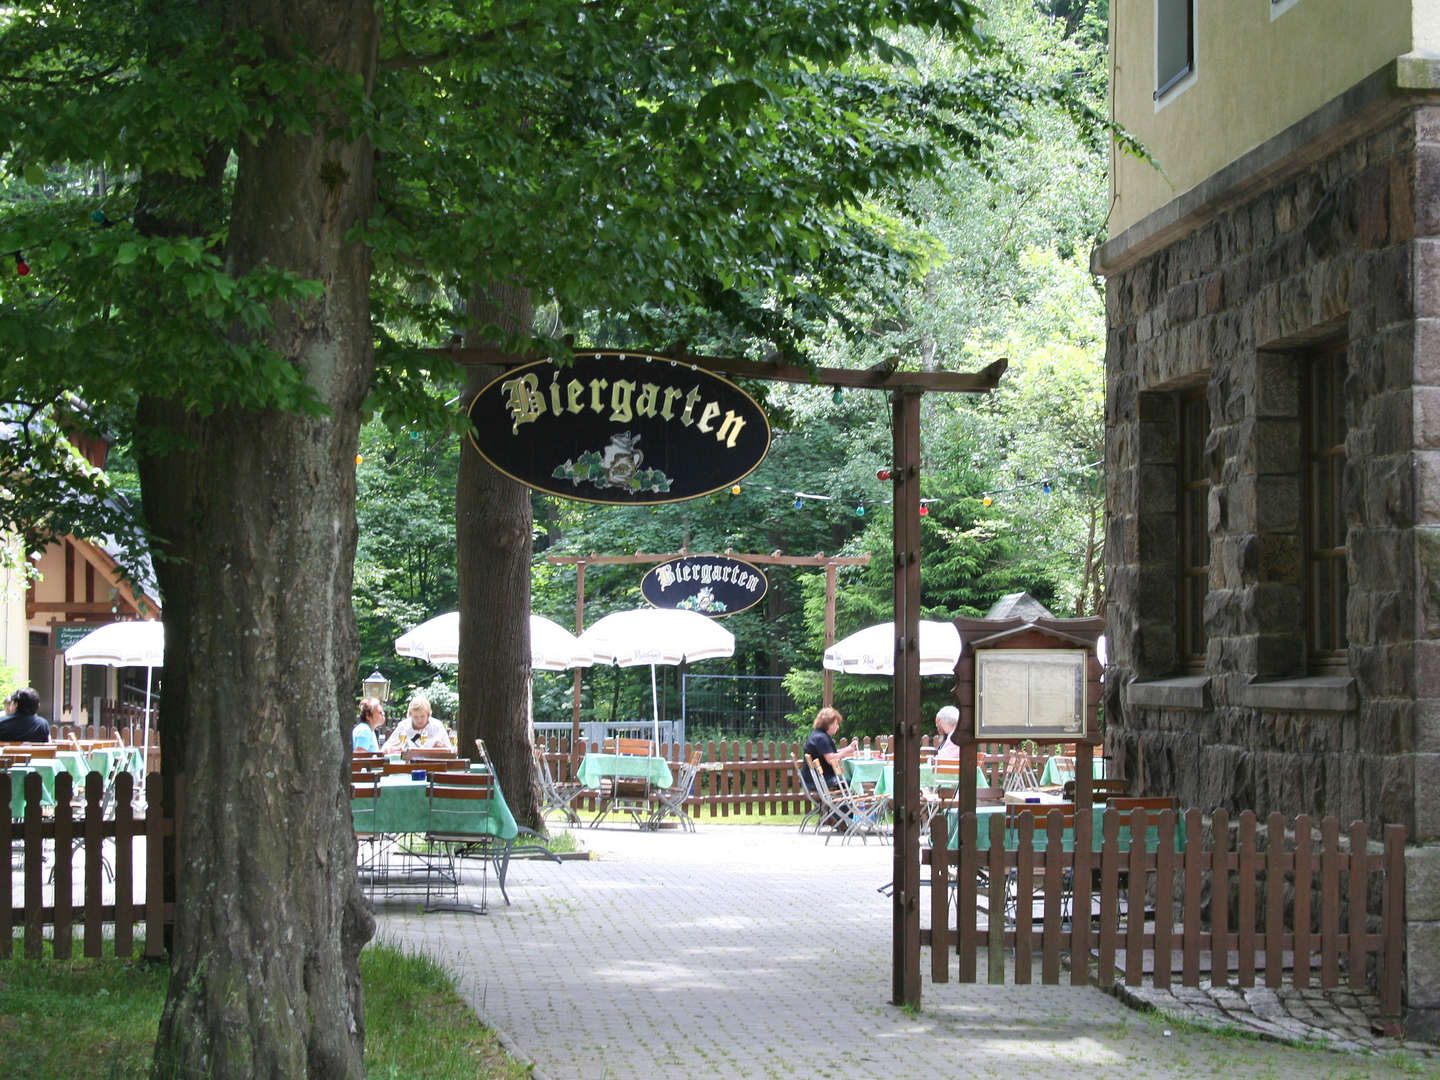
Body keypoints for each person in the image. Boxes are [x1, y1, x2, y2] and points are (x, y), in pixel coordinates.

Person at [802, 705, 857, 791]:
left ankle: (845, 804)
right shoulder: (822, 738)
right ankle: (853, 804)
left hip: (813, 780)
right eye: (836, 723)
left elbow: (828, 753)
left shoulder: (816, 734)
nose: (838, 727)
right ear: (828, 724)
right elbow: (831, 759)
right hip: (821, 781)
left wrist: (848, 749)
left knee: (850, 781)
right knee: (854, 782)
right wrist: (847, 750)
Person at [379, 693, 452, 753]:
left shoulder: (437, 726)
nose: (419, 720)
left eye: (422, 716)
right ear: (410, 715)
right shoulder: (403, 726)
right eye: (415, 717)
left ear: (428, 714)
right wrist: (391, 749)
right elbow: (385, 748)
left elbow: (451, 750)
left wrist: (443, 748)